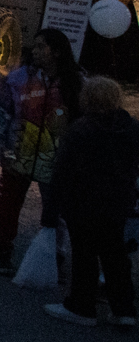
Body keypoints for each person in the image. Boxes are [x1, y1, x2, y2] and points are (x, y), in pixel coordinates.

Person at [0, 27, 81, 276]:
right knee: (7, 203)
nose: (36, 51)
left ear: (58, 52)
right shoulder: (18, 79)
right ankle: (2, 251)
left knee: (56, 210)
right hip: (18, 153)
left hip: (56, 160)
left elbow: (84, 123)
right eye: (35, 46)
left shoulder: (76, 82)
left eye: (42, 47)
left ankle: (55, 256)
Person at [47, 77, 138, 326]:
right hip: (118, 201)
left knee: (84, 254)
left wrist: (53, 206)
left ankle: (81, 305)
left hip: (83, 201)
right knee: (115, 253)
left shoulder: (80, 130)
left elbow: (63, 170)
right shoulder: (131, 127)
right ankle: (124, 308)